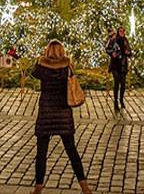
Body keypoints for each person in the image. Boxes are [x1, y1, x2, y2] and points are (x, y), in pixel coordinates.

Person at [31, 40, 92, 194]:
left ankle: (38, 188)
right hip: (63, 113)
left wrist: (41, 59)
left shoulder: (42, 67)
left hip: (46, 113)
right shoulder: (67, 67)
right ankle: (85, 187)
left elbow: (34, 72)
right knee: (72, 151)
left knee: (41, 153)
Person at [106, 27, 131, 112]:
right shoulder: (114, 40)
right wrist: (112, 53)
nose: (122, 32)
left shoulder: (125, 40)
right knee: (116, 82)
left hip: (123, 65)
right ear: (118, 32)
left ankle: (121, 100)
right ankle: (116, 102)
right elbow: (108, 48)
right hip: (115, 65)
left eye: (124, 31)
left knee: (123, 85)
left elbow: (129, 51)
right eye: (121, 31)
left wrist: (128, 53)